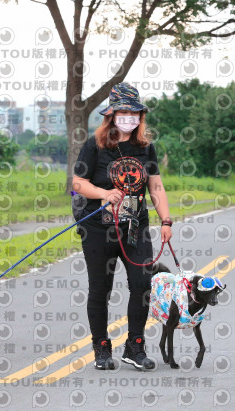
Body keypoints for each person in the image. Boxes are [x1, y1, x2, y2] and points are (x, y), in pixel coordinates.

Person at [72, 82, 172, 371]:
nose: (129, 117)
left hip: (135, 227)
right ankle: (101, 347)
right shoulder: (95, 144)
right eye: (123, 111)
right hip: (98, 227)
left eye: (134, 112)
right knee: (100, 288)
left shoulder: (146, 148)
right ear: (112, 114)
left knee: (142, 284)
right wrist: (104, 194)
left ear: (140, 116)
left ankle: (135, 346)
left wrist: (166, 220)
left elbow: (156, 186)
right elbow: (78, 184)